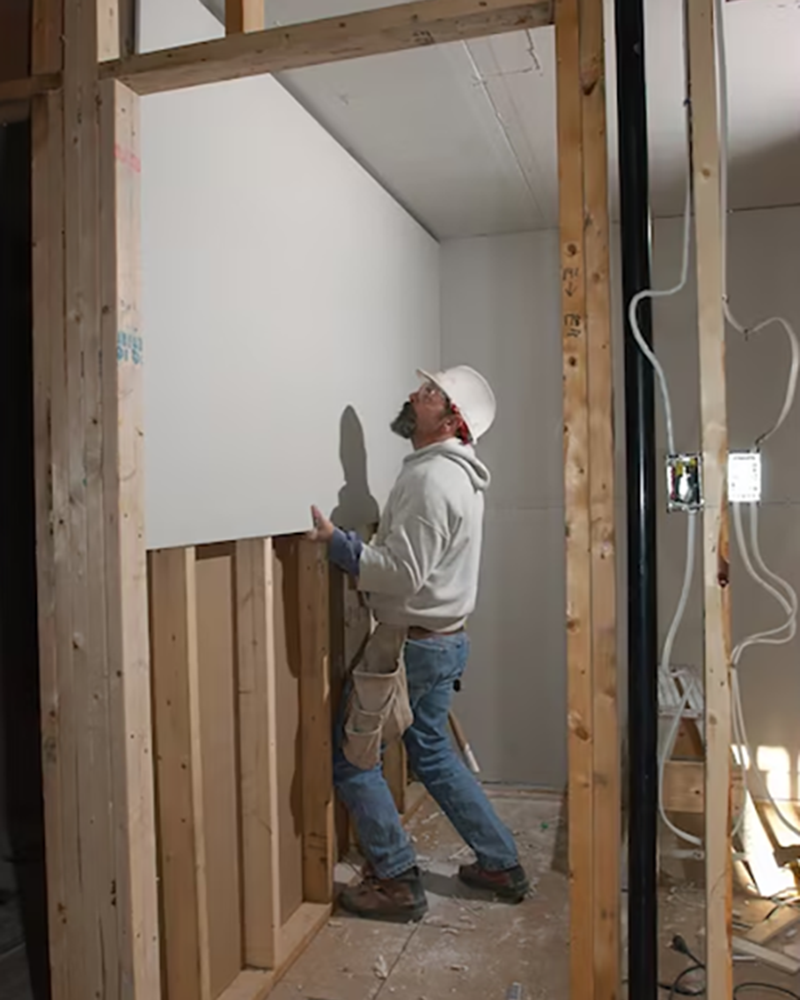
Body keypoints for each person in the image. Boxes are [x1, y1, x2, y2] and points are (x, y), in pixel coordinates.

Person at [309, 365, 529, 921]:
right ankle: (500, 862)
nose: (415, 395)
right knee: (430, 753)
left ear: (451, 419)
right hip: (443, 641)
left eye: (430, 393)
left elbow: (403, 573)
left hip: (415, 648)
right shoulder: (452, 475)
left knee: (354, 761)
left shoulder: (434, 480)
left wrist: (342, 547)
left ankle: (397, 880)